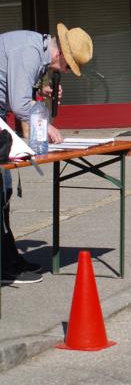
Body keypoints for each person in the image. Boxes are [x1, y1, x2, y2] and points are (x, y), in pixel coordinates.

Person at [1, 24, 93, 285]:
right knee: (1, 189)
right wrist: (47, 125)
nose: (65, 72)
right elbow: (19, 104)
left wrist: (40, 93)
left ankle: (9, 259)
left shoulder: (37, 51)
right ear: (60, 54)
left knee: (4, 191)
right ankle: (5, 266)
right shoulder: (29, 52)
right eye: (68, 66)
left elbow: (15, 89)